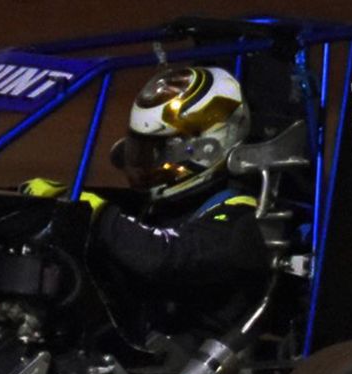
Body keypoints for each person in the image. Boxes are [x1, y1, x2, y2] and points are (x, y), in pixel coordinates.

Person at [21, 65, 268, 293]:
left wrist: (95, 212)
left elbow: (165, 256)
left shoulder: (242, 217)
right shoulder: (162, 205)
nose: (143, 166)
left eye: (158, 153)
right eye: (141, 150)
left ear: (206, 149)